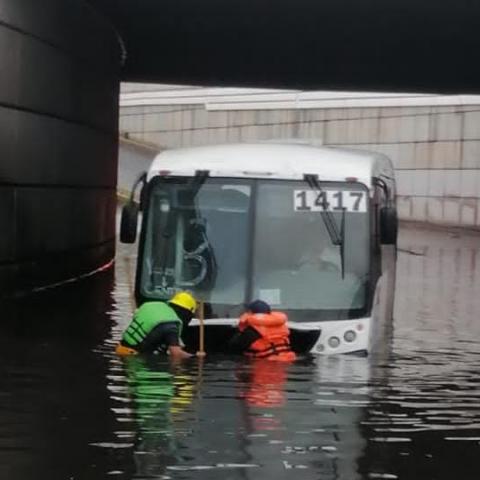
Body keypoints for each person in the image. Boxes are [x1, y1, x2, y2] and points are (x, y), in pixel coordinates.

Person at [116, 291, 199, 360]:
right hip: (134, 359)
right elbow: (176, 354)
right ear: (186, 313)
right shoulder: (172, 325)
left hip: (120, 350)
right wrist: (195, 356)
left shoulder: (149, 305)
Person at [229, 300, 296, 361]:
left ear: (250, 313)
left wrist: (241, 329)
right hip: (287, 360)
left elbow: (233, 348)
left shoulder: (251, 331)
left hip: (265, 363)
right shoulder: (281, 327)